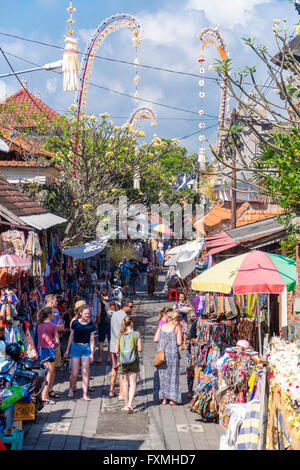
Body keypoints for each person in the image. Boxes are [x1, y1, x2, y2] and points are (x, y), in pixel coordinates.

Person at [64, 305, 96, 401]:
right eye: (85, 313)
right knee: (74, 373)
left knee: (85, 372)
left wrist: (92, 353)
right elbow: (71, 336)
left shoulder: (91, 325)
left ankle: (85, 394)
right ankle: (71, 388)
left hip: (86, 347)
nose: (87, 315)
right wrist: (67, 350)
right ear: (81, 313)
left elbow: (92, 339)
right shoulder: (75, 323)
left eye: (88, 313)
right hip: (75, 347)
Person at [153, 310, 182, 405]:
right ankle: (173, 399)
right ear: (175, 320)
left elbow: (155, 339)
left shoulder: (161, 326)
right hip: (172, 354)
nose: (179, 322)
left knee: (163, 376)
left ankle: (164, 398)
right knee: (173, 375)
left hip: (162, 354)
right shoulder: (177, 328)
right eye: (178, 320)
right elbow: (179, 342)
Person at [115, 315, 142, 413]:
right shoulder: (136, 334)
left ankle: (126, 405)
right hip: (133, 361)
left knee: (125, 384)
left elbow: (116, 350)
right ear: (131, 323)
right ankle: (130, 404)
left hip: (123, 363)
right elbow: (140, 349)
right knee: (133, 383)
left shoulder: (119, 335)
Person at [109, 300, 133, 398]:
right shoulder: (126, 318)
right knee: (122, 370)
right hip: (122, 347)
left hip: (113, 345)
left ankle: (111, 390)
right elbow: (130, 332)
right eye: (130, 307)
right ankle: (121, 393)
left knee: (114, 368)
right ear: (125, 307)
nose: (131, 309)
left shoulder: (114, 315)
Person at [37, 307, 60, 404]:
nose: (54, 314)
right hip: (50, 350)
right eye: (53, 313)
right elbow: (57, 341)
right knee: (49, 374)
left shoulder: (39, 325)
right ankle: (45, 396)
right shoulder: (53, 326)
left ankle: (42, 394)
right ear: (49, 314)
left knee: (44, 373)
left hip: (41, 350)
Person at [95, 288, 115, 363]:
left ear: (101, 295)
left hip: (103, 322)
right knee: (110, 340)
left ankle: (100, 358)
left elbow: (99, 314)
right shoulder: (113, 302)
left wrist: (97, 321)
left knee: (101, 341)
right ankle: (108, 358)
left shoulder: (101, 302)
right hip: (111, 323)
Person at [186, 316, 198, 398]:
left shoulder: (195, 324)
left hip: (196, 351)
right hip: (193, 351)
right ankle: (190, 390)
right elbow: (191, 338)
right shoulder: (195, 324)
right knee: (191, 370)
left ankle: (193, 390)